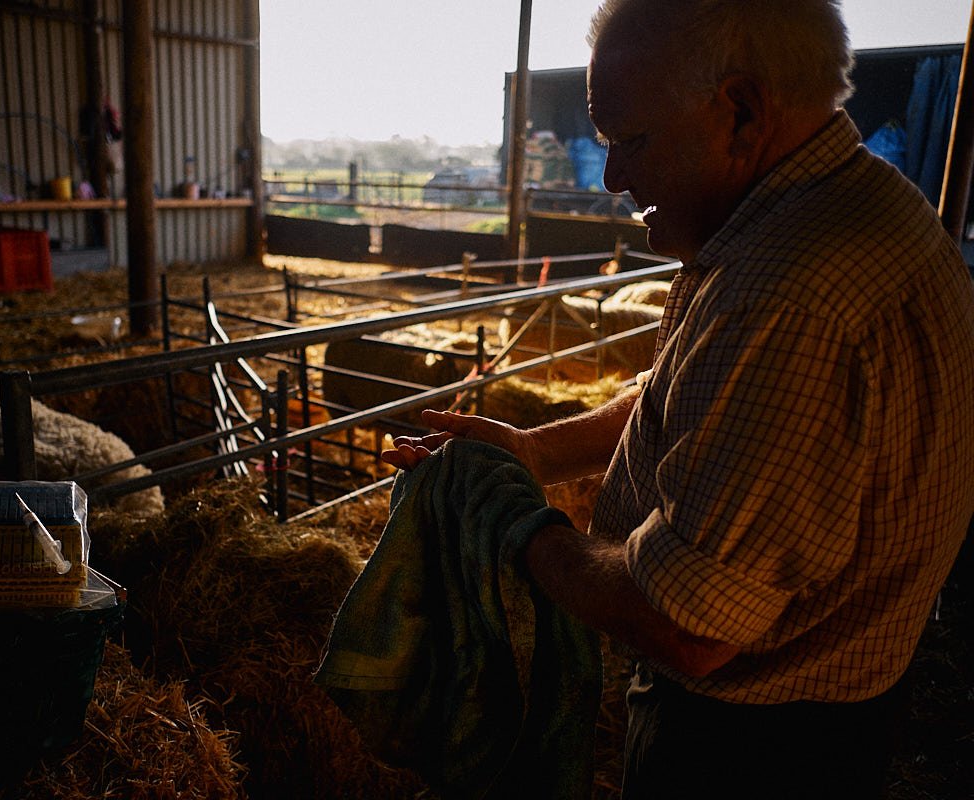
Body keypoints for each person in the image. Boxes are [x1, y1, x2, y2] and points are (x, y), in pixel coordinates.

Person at [382, 1, 974, 797]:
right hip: (838, 702)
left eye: (632, 141)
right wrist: (535, 451)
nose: (612, 178)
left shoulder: (785, 293)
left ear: (740, 110)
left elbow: (686, 626)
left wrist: (515, 523)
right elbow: (702, 396)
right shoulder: (856, 205)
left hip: (751, 749)